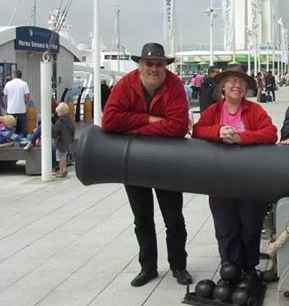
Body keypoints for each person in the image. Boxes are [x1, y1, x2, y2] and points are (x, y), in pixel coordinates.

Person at [102, 42, 192, 287]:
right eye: (149, 64)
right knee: (142, 218)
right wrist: (150, 119)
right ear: (140, 65)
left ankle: (178, 266)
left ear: (165, 66)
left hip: (166, 160)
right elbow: (109, 121)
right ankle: (148, 267)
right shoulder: (126, 84)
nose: (154, 69)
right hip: (134, 161)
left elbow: (178, 126)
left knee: (174, 218)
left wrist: (133, 128)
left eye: (159, 64)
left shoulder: (174, 85)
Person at [192, 66, 277, 276]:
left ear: (246, 88)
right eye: (231, 81)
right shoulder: (214, 111)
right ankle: (229, 266)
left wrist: (241, 137)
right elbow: (198, 130)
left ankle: (249, 268)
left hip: (250, 181)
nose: (236, 86)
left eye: (241, 82)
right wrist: (218, 131)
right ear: (223, 86)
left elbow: (270, 133)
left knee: (250, 227)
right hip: (220, 181)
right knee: (225, 228)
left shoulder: (254, 111)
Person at [52, 102, 75, 178]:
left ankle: (61, 171)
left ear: (61, 113)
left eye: (58, 112)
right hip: (67, 142)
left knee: (60, 158)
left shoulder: (59, 122)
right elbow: (73, 130)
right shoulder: (70, 120)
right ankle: (64, 170)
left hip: (61, 142)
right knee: (64, 157)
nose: (57, 113)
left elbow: (54, 132)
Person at [3, 70, 30, 134]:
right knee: (23, 126)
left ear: (13, 75)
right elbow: (27, 96)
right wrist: (25, 103)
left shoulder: (8, 84)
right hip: (21, 108)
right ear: (21, 75)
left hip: (11, 108)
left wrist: (7, 104)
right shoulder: (24, 84)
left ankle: (8, 136)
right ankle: (23, 137)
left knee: (9, 125)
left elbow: (5, 96)